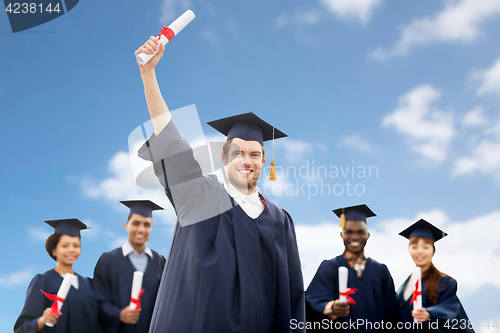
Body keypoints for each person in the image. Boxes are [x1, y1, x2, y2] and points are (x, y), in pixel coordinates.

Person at [134, 37, 305, 332]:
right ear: (224, 157)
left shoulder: (280, 220)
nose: (246, 161)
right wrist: (148, 75)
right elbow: (172, 143)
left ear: (264, 160)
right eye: (237, 152)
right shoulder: (199, 196)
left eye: (254, 154)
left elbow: (291, 296)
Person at [305, 204, 397, 332]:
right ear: (342, 234)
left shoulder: (381, 271)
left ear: (368, 235)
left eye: (360, 232)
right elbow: (311, 301)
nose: (354, 237)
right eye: (349, 232)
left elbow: (392, 313)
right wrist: (330, 308)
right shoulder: (329, 267)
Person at [92, 200, 166, 333]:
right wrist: (118, 314)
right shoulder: (108, 260)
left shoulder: (160, 261)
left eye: (147, 225)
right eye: (136, 223)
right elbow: (98, 300)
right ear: (126, 226)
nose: (141, 229)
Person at [14, 219, 99, 333]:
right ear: (54, 250)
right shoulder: (43, 281)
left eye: (76, 245)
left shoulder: (89, 284)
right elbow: (22, 328)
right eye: (65, 245)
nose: (71, 250)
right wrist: (42, 320)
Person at [396, 219, 475, 332]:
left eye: (426, 247)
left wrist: (429, 314)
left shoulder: (445, 282)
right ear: (409, 250)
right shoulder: (406, 284)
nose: (420, 251)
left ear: (433, 250)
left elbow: (450, 308)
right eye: (414, 247)